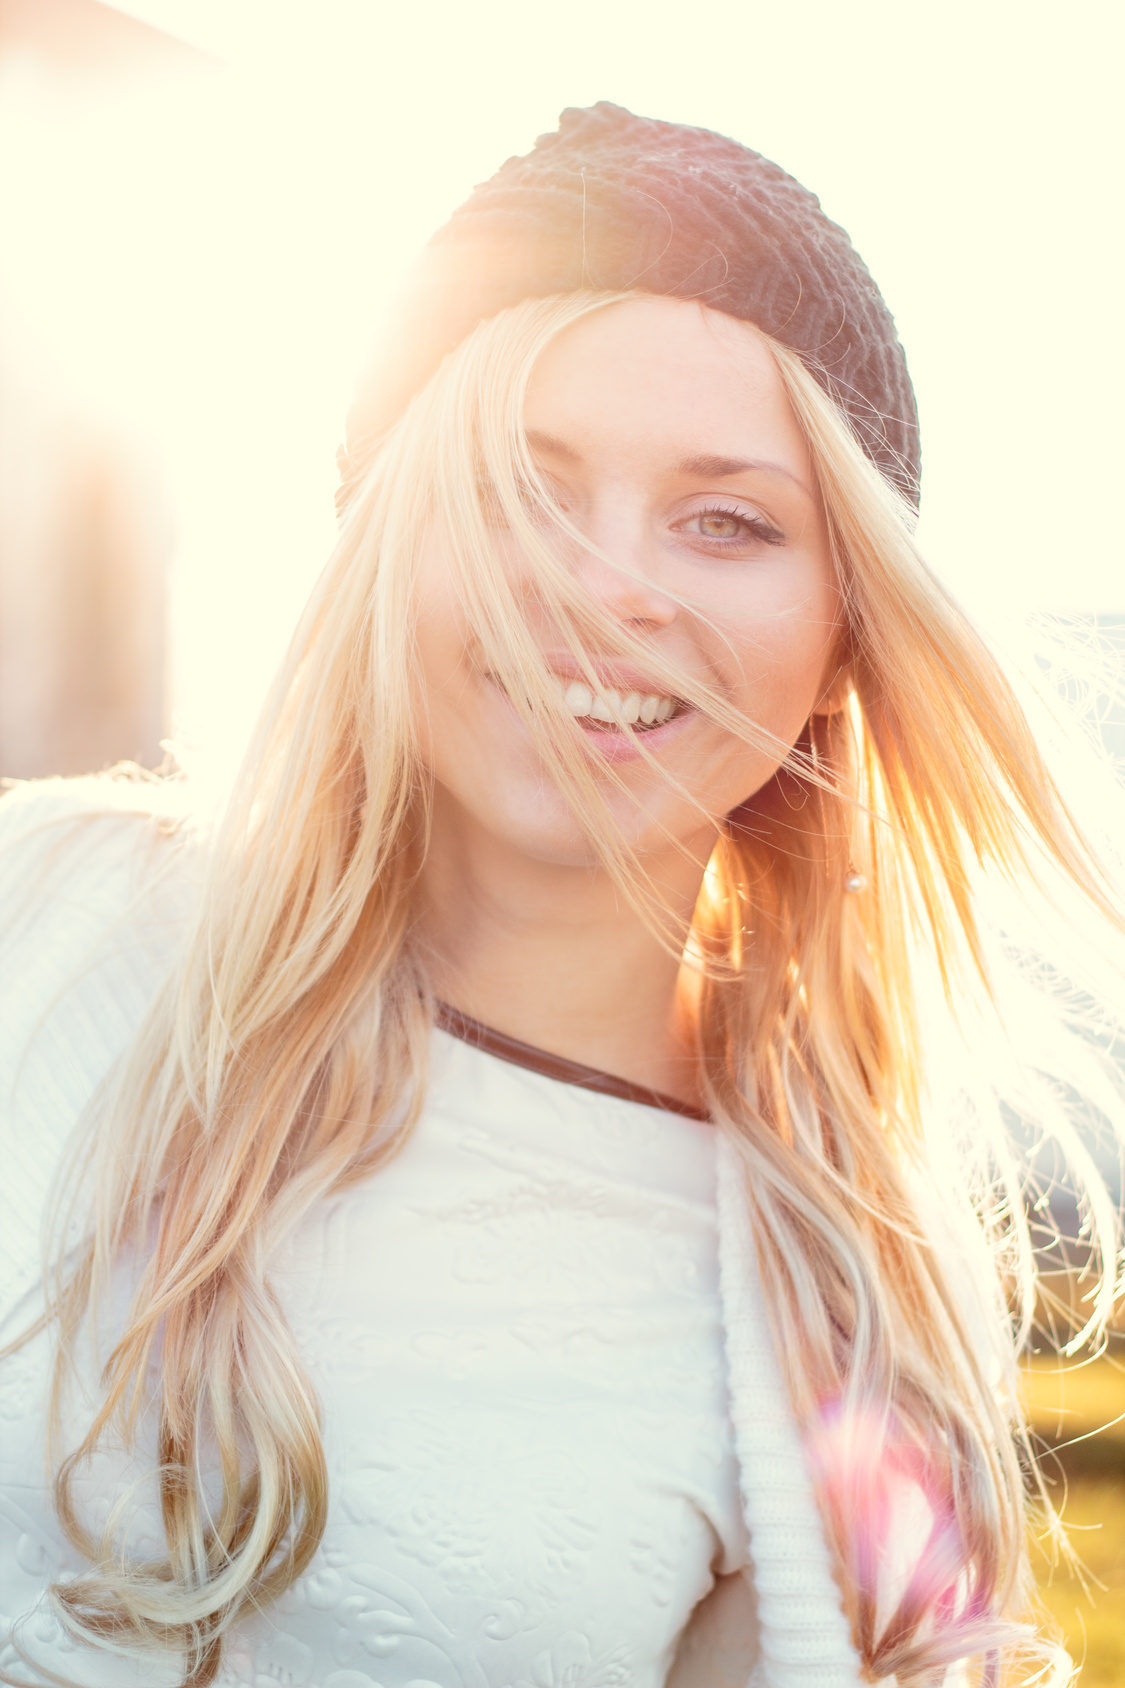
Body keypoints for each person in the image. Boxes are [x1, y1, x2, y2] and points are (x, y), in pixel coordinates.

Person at [0, 102, 1120, 1688]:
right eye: (521, 489)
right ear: (388, 540)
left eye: (726, 519)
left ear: (841, 634)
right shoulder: (42, 922)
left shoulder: (827, 1328)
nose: (608, 590)